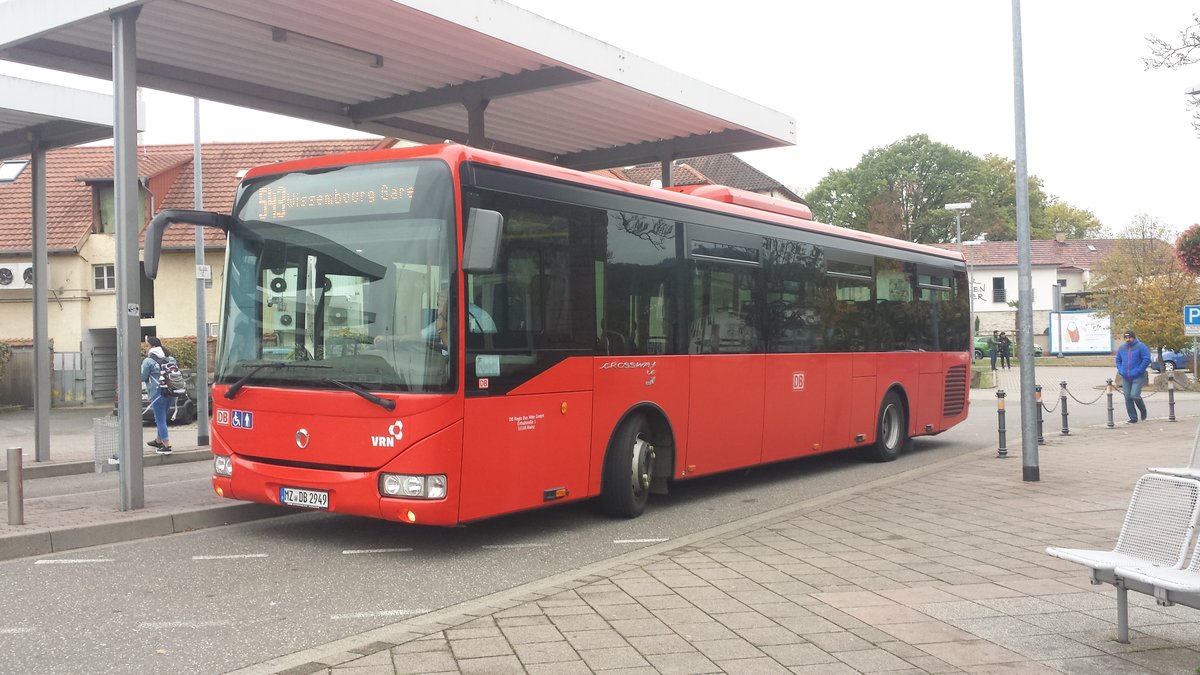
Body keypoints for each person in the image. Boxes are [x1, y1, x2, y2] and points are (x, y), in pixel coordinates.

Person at [140, 336, 172, 453]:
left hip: (157, 393)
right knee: (162, 418)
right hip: (171, 392)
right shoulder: (170, 359)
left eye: (147, 346)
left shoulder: (148, 361)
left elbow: (143, 377)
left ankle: (167, 446)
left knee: (160, 420)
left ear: (153, 347)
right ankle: (159, 441)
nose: (145, 349)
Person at [1116, 330, 1151, 424]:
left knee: (1135, 395)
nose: (1128, 339)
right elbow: (1118, 360)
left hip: (1138, 376)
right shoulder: (1121, 347)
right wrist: (1121, 370)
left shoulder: (1141, 346)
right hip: (1125, 376)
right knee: (1127, 397)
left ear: (1134, 338)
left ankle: (1142, 410)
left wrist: (1139, 370)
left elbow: (1146, 359)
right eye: (1126, 338)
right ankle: (1133, 417)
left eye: (1130, 337)